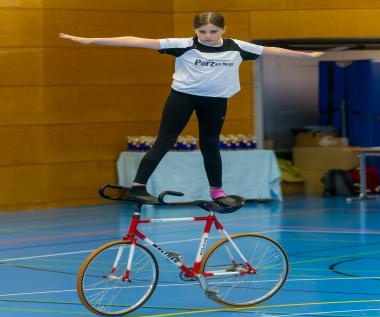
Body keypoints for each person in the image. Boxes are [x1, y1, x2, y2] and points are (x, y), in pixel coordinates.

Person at [59, 12, 322, 206]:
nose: (207, 36)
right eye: (202, 31)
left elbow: (271, 50)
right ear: (195, 30)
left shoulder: (238, 47)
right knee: (164, 141)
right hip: (182, 98)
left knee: (210, 144)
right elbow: (138, 40)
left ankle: (217, 192)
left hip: (216, 101)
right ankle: (138, 187)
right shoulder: (183, 44)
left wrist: (307, 55)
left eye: (213, 31)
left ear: (223, 30)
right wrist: (91, 40)